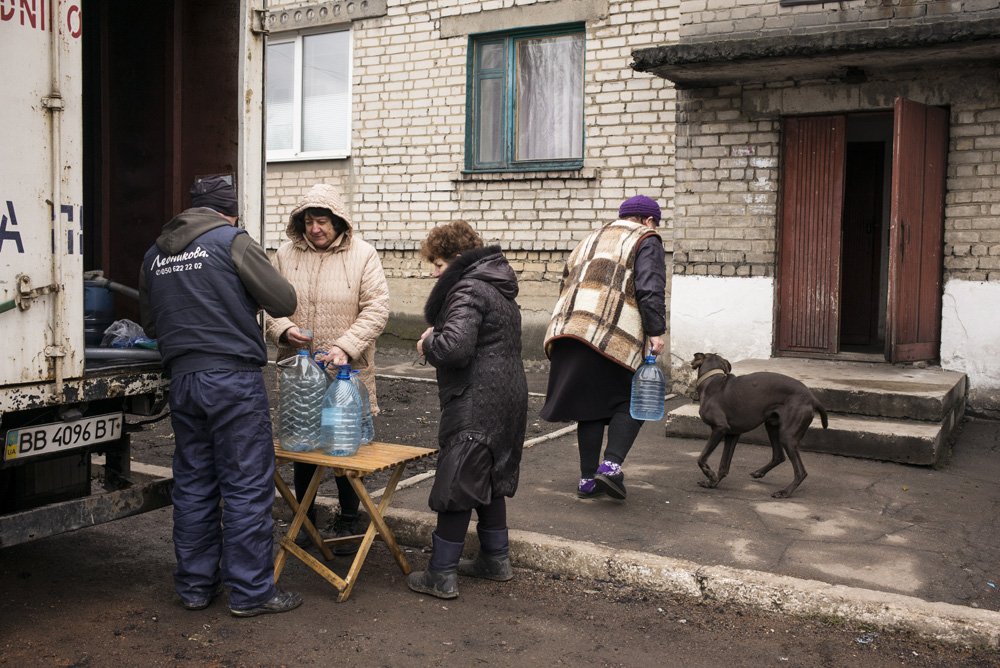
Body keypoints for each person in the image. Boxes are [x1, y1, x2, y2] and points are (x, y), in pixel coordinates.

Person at [138, 175, 302, 617]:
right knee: (247, 485)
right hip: (231, 380)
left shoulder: (155, 254)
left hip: (184, 382)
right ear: (230, 212)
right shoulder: (232, 240)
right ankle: (252, 594)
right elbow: (284, 299)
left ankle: (195, 587)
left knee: (193, 484)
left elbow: (152, 326)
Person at [264, 183, 389, 551]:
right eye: (307, 221)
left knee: (344, 445)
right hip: (300, 372)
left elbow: (377, 308)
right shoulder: (286, 254)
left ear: (338, 221)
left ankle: (349, 520)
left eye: (321, 221)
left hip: (345, 374)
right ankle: (305, 520)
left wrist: (344, 346)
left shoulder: (363, 254)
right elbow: (269, 302)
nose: (314, 228)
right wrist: (283, 328)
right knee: (302, 445)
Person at [408, 220, 528, 599]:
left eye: (439, 263)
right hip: (508, 395)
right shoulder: (499, 289)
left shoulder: (467, 289)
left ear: (458, 260)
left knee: (458, 479)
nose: (434, 271)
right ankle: (496, 560)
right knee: (489, 476)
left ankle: (440, 574)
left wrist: (429, 343)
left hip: (477, 397)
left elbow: (455, 348)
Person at [540, 195, 667, 501]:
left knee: (591, 406)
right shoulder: (646, 238)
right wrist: (656, 331)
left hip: (569, 330)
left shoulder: (590, 239)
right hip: (611, 333)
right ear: (649, 220)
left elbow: (565, 281)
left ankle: (587, 480)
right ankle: (610, 467)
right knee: (634, 398)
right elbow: (649, 286)